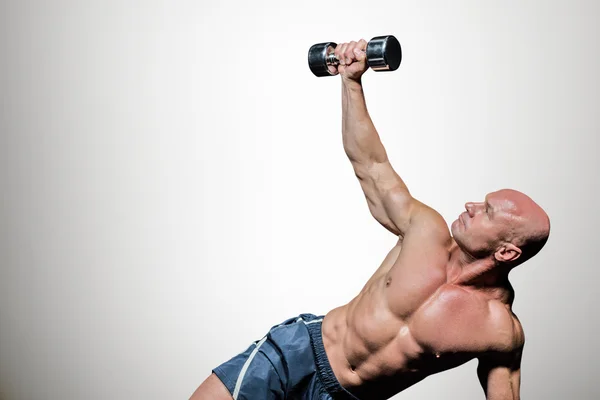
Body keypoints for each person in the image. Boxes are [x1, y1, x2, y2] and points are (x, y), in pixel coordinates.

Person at [190, 38, 550, 400]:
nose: (471, 205)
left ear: (506, 252)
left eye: (486, 211)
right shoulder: (425, 230)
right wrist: (351, 82)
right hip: (300, 353)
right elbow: (371, 165)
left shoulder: (498, 330)